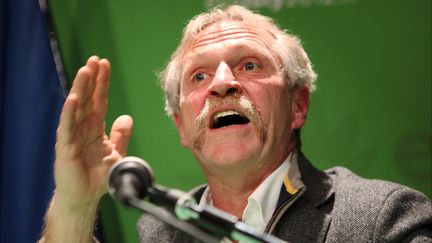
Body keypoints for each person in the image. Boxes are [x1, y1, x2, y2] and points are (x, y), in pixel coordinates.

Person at [39, 5, 431, 243]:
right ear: (180, 126)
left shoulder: (384, 218)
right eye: (198, 76)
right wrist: (74, 207)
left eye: (248, 65)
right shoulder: (159, 233)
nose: (222, 83)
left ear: (298, 104)